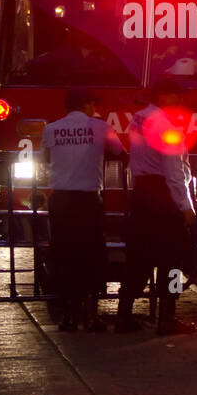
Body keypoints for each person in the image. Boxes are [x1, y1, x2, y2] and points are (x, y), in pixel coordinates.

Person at [42, 87, 125, 331]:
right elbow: (118, 151)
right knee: (91, 257)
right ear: (87, 105)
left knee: (64, 255)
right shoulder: (100, 127)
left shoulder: (51, 128)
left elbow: (44, 158)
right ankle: (91, 316)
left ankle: (68, 315)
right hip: (88, 200)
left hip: (61, 200)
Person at [119, 76, 197, 336]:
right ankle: (168, 319)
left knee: (138, 257)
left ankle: (123, 316)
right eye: (177, 95)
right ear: (163, 96)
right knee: (172, 261)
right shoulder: (167, 127)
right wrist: (186, 207)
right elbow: (175, 173)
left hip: (141, 193)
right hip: (163, 198)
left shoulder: (138, 118)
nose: (182, 100)